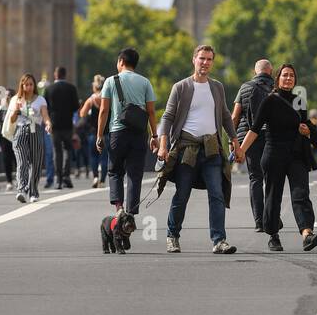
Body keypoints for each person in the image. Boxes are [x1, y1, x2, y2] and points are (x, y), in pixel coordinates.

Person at [157, 44, 242, 254]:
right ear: (194, 60)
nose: (205, 63)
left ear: (212, 63)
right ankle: (172, 236)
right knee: (182, 194)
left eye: (209, 59)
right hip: (187, 149)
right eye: (201, 58)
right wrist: (163, 144)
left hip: (212, 149)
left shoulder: (217, 87)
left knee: (217, 194)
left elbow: (224, 115)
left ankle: (219, 240)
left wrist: (235, 141)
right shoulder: (181, 87)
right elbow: (167, 117)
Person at [241, 64, 317, 252]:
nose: (288, 79)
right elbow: (255, 129)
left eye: (292, 76)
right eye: (285, 75)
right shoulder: (270, 101)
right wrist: (241, 150)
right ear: (277, 79)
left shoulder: (299, 100)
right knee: (273, 196)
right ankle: (273, 235)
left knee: (301, 194)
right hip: (274, 154)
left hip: (296, 155)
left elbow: (304, 124)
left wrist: (307, 131)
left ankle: (307, 234)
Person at [97, 48, 157, 219]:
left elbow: (103, 110)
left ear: (121, 61)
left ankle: (119, 208)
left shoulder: (110, 81)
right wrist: (154, 136)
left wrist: (100, 135)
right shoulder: (145, 82)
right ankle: (131, 213)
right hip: (139, 134)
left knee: (115, 171)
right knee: (135, 173)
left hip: (117, 133)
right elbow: (151, 111)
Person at [231, 58, 274, 231]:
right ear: (270, 72)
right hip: (271, 137)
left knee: (255, 178)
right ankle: (271, 218)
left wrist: (232, 141)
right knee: (271, 178)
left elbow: (234, 116)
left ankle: (258, 221)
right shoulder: (275, 88)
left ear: (255, 72)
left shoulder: (245, 87)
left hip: (248, 137)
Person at [6, 74, 50, 202]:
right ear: (22, 85)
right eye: (26, 84)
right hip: (20, 131)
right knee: (22, 161)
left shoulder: (40, 100)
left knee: (36, 163)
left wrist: (48, 124)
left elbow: (45, 115)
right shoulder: (16, 99)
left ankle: (33, 192)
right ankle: (22, 189)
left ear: (34, 85)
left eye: (31, 84)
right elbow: (12, 120)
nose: (29, 87)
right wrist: (15, 111)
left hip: (35, 131)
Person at [44, 67, 81, 189]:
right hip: (67, 124)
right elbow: (76, 106)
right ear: (65, 75)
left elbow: (45, 107)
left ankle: (58, 179)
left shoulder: (49, 89)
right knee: (67, 150)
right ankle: (66, 177)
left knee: (57, 151)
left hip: (54, 125)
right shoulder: (71, 88)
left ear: (55, 75)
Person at [79, 76, 109, 188]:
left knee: (93, 155)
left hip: (93, 133)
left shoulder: (91, 100)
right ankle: (102, 180)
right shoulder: (107, 98)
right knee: (104, 157)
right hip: (106, 132)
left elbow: (82, 114)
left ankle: (95, 176)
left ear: (94, 87)